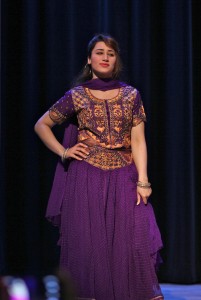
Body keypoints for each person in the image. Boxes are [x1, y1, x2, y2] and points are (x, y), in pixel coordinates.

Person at [34, 34, 164, 300]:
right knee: (89, 243)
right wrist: (64, 151)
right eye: (100, 52)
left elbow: (138, 140)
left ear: (116, 61)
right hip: (86, 175)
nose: (105, 57)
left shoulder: (131, 95)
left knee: (132, 242)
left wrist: (144, 180)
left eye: (111, 53)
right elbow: (41, 124)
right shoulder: (78, 96)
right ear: (89, 59)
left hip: (125, 174)